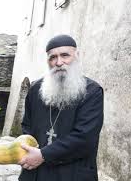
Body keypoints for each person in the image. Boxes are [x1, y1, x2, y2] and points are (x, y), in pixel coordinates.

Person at [18, 35, 104, 181]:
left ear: (76, 57)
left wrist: (43, 155)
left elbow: (85, 137)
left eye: (65, 55)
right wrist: (30, 151)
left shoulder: (92, 91)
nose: (58, 62)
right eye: (52, 57)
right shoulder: (36, 89)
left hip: (72, 173)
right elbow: (27, 126)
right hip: (35, 173)